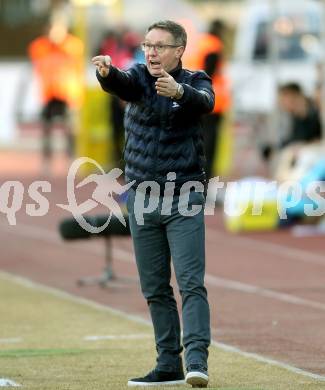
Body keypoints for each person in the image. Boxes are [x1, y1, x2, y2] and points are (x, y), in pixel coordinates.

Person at [92, 20, 214, 387]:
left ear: (179, 50)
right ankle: (167, 365)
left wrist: (178, 92)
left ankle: (196, 362)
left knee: (191, 283)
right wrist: (107, 73)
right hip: (142, 198)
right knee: (155, 288)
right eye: (148, 45)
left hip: (184, 197)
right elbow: (122, 83)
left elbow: (205, 103)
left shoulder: (196, 79)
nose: (151, 52)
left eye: (160, 46)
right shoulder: (139, 78)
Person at [28, 18, 84, 174]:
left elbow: (74, 53)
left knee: (70, 129)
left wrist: (59, 43)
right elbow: (36, 53)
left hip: (67, 94)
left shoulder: (73, 44)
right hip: (48, 93)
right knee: (46, 128)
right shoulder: (40, 46)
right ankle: (47, 161)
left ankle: (71, 159)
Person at [189, 19, 231, 179]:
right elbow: (209, 73)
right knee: (209, 142)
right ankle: (206, 176)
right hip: (213, 101)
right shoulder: (214, 46)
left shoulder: (201, 43)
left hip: (198, 98)